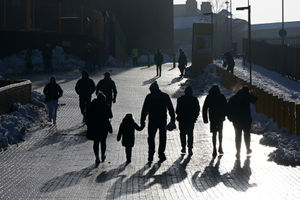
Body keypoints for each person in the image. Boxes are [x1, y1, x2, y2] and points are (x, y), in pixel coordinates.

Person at [140, 81, 175, 163]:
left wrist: (142, 120)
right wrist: (172, 119)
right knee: (163, 137)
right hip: (162, 120)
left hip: (152, 120)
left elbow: (144, 109)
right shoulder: (164, 96)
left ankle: (151, 155)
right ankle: (161, 154)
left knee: (151, 138)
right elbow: (170, 108)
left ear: (152, 89)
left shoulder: (149, 97)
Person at [227, 86, 257, 158]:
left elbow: (228, 108)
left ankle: (238, 151)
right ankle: (247, 149)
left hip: (236, 121)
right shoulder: (247, 97)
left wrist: (230, 118)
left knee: (238, 136)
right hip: (246, 120)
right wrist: (252, 94)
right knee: (246, 135)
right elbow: (255, 100)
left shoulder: (234, 97)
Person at [86, 91, 113, 167]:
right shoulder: (106, 105)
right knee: (103, 142)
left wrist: (89, 124)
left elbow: (87, 115)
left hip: (94, 126)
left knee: (96, 142)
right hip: (103, 126)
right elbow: (110, 115)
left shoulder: (92, 105)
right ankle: (103, 155)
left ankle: (97, 157)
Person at [202, 85, 227, 157]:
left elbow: (205, 108)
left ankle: (214, 149)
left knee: (214, 134)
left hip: (213, 118)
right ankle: (220, 147)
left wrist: (205, 119)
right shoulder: (221, 96)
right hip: (220, 118)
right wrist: (226, 115)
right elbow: (226, 106)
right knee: (220, 133)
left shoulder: (209, 97)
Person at [176, 86, 200, 155]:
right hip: (191, 120)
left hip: (182, 120)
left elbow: (177, 110)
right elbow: (197, 110)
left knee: (182, 134)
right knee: (190, 134)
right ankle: (190, 148)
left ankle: (183, 147)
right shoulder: (194, 99)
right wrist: (195, 117)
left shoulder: (180, 99)